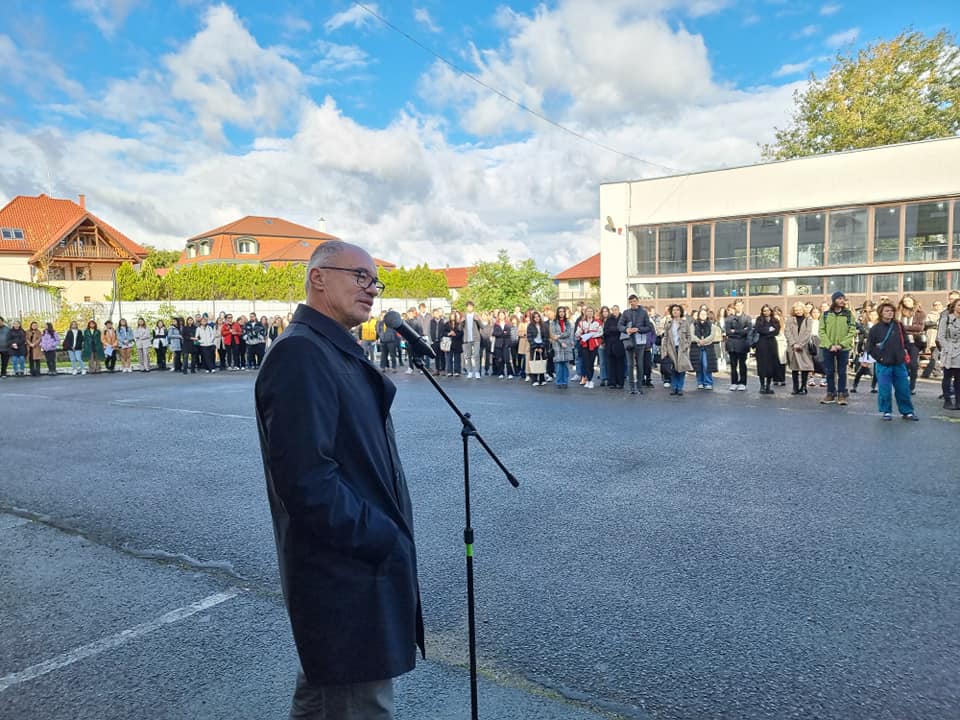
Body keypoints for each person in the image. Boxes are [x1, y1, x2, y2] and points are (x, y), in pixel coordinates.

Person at [255, 241, 423, 719]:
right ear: (318, 277)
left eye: (375, 281)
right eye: (360, 276)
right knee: (357, 703)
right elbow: (308, 483)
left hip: (352, 566)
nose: (371, 289)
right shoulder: (301, 354)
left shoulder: (328, 348)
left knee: (322, 696)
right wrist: (379, 535)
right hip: (344, 571)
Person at [868, 301, 918, 421]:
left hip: (899, 363)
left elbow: (905, 341)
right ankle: (886, 411)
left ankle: (907, 411)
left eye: (891, 311)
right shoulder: (875, 328)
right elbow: (870, 347)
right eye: (887, 311)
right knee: (885, 390)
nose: (890, 313)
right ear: (881, 313)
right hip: (883, 364)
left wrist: (907, 354)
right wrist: (879, 357)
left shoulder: (898, 325)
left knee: (903, 389)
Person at [818, 291, 856, 405]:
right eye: (839, 298)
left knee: (842, 372)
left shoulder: (848, 314)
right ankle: (830, 393)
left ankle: (841, 394)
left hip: (843, 348)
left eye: (843, 299)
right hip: (828, 347)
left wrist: (842, 344)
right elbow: (821, 331)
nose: (842, 301)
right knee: (829, 371)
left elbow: (852, 331)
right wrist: (830, 345)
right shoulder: (825, 315)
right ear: (834, 300)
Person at [618, 294, 652, 395]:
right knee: (630, 365)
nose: (632, 303)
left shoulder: (643, 312)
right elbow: (619, 325)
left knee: (640, 365)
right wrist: (626, 329)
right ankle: (631, 387)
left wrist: (638, 329)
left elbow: (649, 327)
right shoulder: (626, 312)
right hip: (629, 340)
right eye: (631, 301)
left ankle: (639, 387)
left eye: (634, 301)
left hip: (640, 341)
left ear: (637, 301)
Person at [660, 304, 693, 396]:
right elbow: (665, 337)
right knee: (674, 369)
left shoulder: (685, 323)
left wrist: (686, 346)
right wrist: (665, 349)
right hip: (671, 348)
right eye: (673, 310)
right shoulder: (669, 323)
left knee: (681, 369)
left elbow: (689, 336)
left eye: (677, 310)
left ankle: (680, 388)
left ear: (680, 311)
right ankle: (674, 388)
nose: (675, 311)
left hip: (682, 349)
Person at [784, 302, 815, 395]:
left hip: (803, 347)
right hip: (793, 347)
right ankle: (795, 387)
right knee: (794, 368)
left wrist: (800, 344)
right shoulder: (790, 319)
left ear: (803, 309)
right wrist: (793, 343)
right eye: (796, 310)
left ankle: (804, 386)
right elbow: (787, 332)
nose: (798, 312)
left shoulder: (808, 319)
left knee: (804, 367)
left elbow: (808, 333)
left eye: (800, 310)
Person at [897, 295, 925, 395]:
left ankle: (911, 387)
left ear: (913, 301)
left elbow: (919, 328)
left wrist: (903, 327)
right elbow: (896, 326)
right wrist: (909, 328)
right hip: (901, 342)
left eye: (909, 300)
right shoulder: (898, 313)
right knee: (902, 364)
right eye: (905, 301)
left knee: (913, 365)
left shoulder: (919, 313)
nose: (907, 302)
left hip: (914, 342)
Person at [936, 299, 960, 410]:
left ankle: (958, 402)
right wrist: (947, 348)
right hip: (949, 351)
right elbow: (940, 337)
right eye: (959, 305)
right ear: (954, 306)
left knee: (959, 378)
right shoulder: (946, 319)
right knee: (947, 377)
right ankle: (947, 400)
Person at [724, 299, 752, 391]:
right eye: (737, 305)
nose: (739, 307)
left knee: (742, 364)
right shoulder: (729, 318)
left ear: (743, 306)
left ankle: (743, 382)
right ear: (734, 306)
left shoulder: (747, 318)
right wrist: (741, 331)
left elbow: (748, 330)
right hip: (732, 344)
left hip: (743, 344)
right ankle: (734, 382)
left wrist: (735, 331)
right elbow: (728, 332)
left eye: (740, 305)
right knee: (733, 364)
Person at [754, 304, 781, 395]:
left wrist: (767, 331)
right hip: (761, 344)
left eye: (768, 310)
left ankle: (768, 385)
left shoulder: (775, 320)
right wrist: (769, 330)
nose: (766, 312)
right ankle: (762, 385)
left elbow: (776, 332)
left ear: (771, 311)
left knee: (771, 365)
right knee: (762, 364)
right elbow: (758, 329)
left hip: (772, 344)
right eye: (764, 310)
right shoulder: (759, 319)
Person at [574, 306, 602, 389]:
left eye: (591, 311)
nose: (589, 313)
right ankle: (588, 380)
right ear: (585, 313)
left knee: (591, 363)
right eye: (588, 311)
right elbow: (577, 334)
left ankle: (590, 380)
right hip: (585, 344)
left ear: (593, 313)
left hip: (593, 344)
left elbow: (601, 332)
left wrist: (592, 335)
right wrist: (581, 333)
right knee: (586, 363)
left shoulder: (597, 322)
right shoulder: (582, 322)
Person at [690, 308, 716, 390]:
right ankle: (700, 382)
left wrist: (704, 341)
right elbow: (691, 335)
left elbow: (712, 335)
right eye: (701, 314)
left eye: (705, 314)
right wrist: (698, 340)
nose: (703, 316)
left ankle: (708, 382)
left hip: (708, 347)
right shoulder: (693, 324)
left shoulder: (711, 325)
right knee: (699, 365)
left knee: (706, 365)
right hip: (696, 347)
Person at [550, 306, 574, 388]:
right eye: (560, 311)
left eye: (563, 311)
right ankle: (559, 382)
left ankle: (565, 382)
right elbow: (553, 335)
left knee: (566, 365)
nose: (561, 313)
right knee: (559, 365)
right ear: (557, 312)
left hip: (566, 345)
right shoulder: (553, 322)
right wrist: (560, 341)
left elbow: (568, 333)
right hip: (557, 345)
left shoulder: (567, 322)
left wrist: (559, 336)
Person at [603, 305, 625, 389]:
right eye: (613, 310)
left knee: (620, 364)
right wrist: (616, 329)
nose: (614, 311)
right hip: (610, 345)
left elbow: (623, 329)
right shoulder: (609, 319)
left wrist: (613, 329)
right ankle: (612, 382)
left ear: (619, 310)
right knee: (611, 364)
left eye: (616, 310)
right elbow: (606, 331)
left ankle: (620, 383)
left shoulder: (623, 319)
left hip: (620, 344)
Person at [526, 310, 548, 386]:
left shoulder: (544, 325)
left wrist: (542, 347)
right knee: (534, 362)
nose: (537, 318)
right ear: (533, 318)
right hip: (534, 346)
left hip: (541, 345)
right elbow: (529, 337)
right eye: (535, 317)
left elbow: (546, 337)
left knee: (542, 362)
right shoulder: (530, 326)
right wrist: (534, 347)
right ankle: (534, 379)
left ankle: (542, 379)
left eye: (538, 316)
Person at [492, 310, 514, 378]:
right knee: (500, 359)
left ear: (504, 316)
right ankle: (501, 373)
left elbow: (508, 333)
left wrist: (502, 333)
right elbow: (494, 333)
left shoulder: (508, 324)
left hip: (506, 344)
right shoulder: (496, 324)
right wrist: (503, 333)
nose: (501, 316)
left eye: (502, 315)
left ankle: (510, 373)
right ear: (498, 316)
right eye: (500, 315)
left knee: (507, 359)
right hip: (498, 344)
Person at [462, 301, 481, 379]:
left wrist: (478, 320)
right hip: (467, 338)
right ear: (466, 307)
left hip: (476, 338)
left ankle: (477, 372)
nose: (469, 308)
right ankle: (470, 372)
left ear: (473, 307)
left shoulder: (476, 315)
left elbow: (482, 326)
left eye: (471, 306)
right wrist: (461, 321)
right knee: (468, 356)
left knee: (476, 355)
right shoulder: (464, 316)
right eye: (468, 306)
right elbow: (460, 328)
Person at [444, 310, 463, 376]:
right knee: (449, 358)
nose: (452, 317)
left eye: (453, 316)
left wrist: (455, 334)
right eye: (451, 316)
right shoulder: (446, 324)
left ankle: (457, 371)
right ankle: (449, 371)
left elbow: (461, 333)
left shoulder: (459, 324)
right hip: (448, 343)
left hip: (457, 343)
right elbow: (443, 332)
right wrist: (449, 333)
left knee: (457, 358)